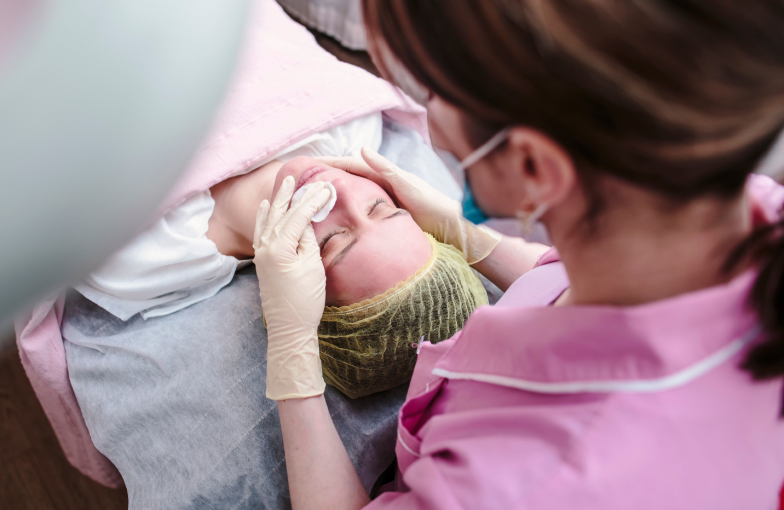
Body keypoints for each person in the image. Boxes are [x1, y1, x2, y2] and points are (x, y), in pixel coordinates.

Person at [252, 0, 784, 508]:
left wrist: (292, 353)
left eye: (433, 90)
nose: (427, 113)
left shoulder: (522, 485)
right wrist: (477, 241)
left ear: (533, 169)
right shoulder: (746, 214)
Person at [73, 115, 492, 398]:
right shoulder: (348, 125)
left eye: (332, 241)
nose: (342, 191)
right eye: (382, 208)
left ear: (294, 290)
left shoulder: (137, 258)